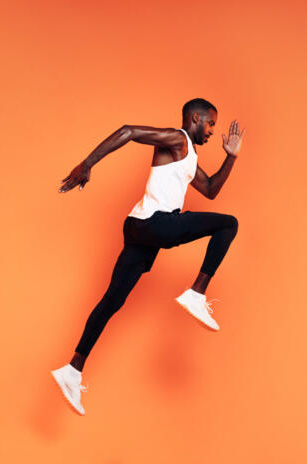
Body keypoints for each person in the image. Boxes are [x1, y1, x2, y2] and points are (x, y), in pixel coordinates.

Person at [51, 98, 244, 415]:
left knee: (112, 301)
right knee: (229, 224)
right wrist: (87, 163)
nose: (212, 131)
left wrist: (231, 158)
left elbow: (209, 189)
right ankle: (196, 293)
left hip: (138, 229)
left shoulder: (187, 157)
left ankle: (72, 370)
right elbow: (128, 131)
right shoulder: (177, 138)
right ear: (195, 118)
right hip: (154, 224)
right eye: (211, 123)